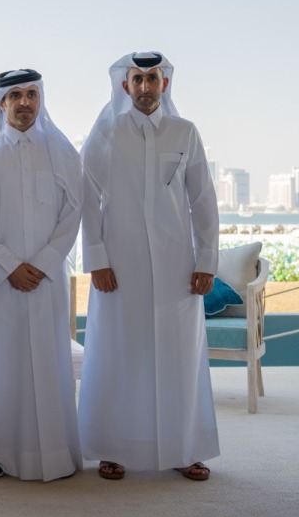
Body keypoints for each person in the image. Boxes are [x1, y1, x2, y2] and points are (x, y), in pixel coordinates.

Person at [79, 51, 220, 482]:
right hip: (119, 268)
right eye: (137, 80)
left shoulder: (186, 132)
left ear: (165, 84)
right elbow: (87, 198)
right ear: (125, 86)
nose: (144, 87)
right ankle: (111, 449)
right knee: (119, 354)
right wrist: (97, 259)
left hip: (179, 269)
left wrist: (207, 261)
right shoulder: (106, 132)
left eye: (152, 79)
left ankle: (185, 448)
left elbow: (203, 201)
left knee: (180, 358)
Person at [0, 69, 83, 481]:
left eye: (32, 94)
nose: (25, 102)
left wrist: (46, 261)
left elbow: (74, 213)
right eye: (15, 95)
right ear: (1, 103)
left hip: (47, 280)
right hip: (1, 281)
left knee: (50, 364)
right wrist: (8, 265)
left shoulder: (63, 153)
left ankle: (54, 452)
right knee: (0, 363)